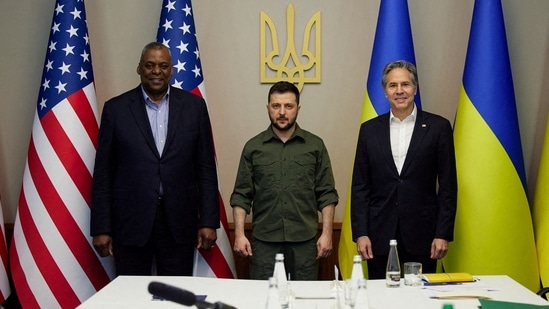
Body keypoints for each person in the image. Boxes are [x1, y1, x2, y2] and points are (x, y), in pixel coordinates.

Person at [90, 42, 219, 276]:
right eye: (149, 65)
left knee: (176, 294)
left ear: (171, 70)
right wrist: (101, 227)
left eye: (163, 66)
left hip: (179, 222)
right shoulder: (116, 110)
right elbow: (103, 174)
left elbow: (206, 169)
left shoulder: (194, 107)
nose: (156, 71)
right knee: (132, 296)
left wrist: (209, 221)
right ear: (139, 69)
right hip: (130, 222)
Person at [350, 60, 457, 279]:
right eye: (393, 85)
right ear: (385, 92)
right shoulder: (369, 131)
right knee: (381, 298)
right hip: (378, 235)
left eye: (405, 84)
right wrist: (361, 233)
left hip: (424, 236)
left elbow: (448, 186)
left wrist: (442, 233)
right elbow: (360, 186)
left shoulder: (438, 128)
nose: (399, 91)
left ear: (415, 89)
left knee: (420, 299)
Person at [230, 81, 339, 280]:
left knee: (305, 300)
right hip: (264, 243)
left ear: (298, 108)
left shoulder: (315, 146)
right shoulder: (253, 147)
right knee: (264, 300)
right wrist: (238, 234)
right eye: (276, 106)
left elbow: (327, 194)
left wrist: (327, 234)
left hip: (305, 242)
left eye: (288, 106)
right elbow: (241, 196)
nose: (282, 112)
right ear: (268, 108)